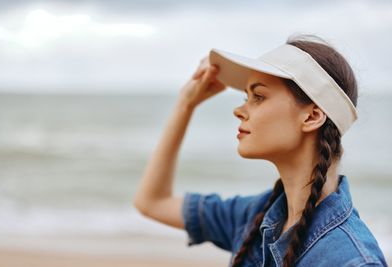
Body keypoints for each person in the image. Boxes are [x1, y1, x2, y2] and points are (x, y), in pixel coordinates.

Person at [133, 34, 388, 266]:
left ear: (312, 116)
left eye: (258, 97)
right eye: (246, 97)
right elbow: (152, 202)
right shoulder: (253, 216)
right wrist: (186, 104)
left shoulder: (351, 260)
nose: (239, 110)